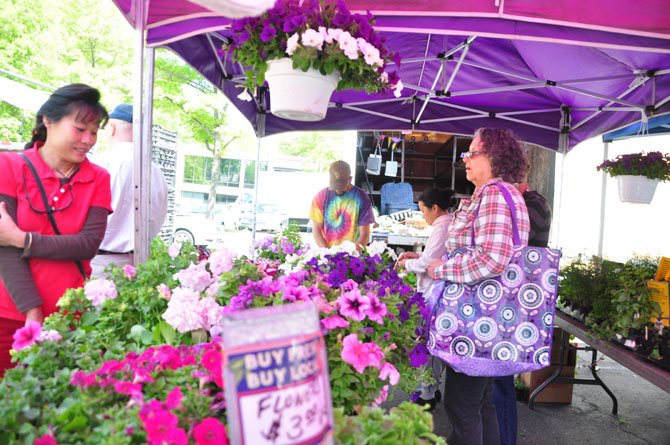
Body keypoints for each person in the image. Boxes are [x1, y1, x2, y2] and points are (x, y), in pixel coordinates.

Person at [426, 128, 530, 445]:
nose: (465, 159)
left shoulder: (496, 194)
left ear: (495, 157)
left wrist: (441, 268)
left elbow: (492, 260)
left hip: (479, 321)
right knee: (480, 403)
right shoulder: (497, 193)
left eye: (473, 152)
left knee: (461, 405)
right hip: (488, 320)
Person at [0, 83, 112, 377]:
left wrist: (21, 239)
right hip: (9, 314)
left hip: (67, 315)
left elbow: (87, 244)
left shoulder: (98, 178)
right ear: (48, 121)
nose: (89, 140)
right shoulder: (9, 166)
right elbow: (3, 248)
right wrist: (32, 309)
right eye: (80, 129)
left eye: (94, 131)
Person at [493, 177, 552, 445]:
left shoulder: (535, 204)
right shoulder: (517, 203)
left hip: (517, 302)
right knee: (494, 382)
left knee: (501, 382)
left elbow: (512, 246)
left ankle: (506, 441)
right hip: (504, 300)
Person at [90, 104, 168, 276]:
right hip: (138, 266)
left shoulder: (99, 166)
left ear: (111, 128)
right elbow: (159, 217)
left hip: (98, 266)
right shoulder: (156, 171)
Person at [396, 187, 454, 410]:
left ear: (435, 208)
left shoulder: (443, 225)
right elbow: (431, 257)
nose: (423, 216)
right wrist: (417, 256)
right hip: (434, 290)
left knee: (427, 343)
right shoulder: (444, 224)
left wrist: (407, 263)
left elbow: (428, 263)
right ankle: (429, 388)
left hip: (434, 293)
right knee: (430, 344)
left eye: (423, 210)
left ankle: (427, 394)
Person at [309, 160, 375, 249]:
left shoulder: (362, 198)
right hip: (328, 252)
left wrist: (353, 254)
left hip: (353, 255)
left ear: (350, 179)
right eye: (335, 185)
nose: (338, 189)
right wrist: (326, 252)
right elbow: (316, 230)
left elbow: (365, 234)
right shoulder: (321, 196)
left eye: (341, 185)